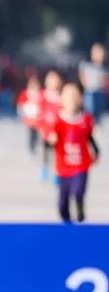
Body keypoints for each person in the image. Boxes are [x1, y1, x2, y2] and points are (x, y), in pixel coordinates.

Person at [47, 83, 100, 223]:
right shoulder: (58, 120)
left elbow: (89, 137)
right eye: (68, 96)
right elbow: (49, 141)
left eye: (75, 96)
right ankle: (67, 223)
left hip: (81, 165)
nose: (72, 99)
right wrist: (51, 141)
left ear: (81, 99)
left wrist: (96, 152)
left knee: (78, 192)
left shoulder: (85, 119)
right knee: (62, 204)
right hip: (63, 167)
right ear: (62, 100)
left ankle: (80, 213)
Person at [39, 70, 63, 182]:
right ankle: (44, 170)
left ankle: (56, 173)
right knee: (46, 152)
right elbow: (40, 113)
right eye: (51, 80)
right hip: (46, 130)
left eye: (55, 80)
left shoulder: (61, 97)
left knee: (57, 154)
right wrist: (43, 129)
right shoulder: (43, 96)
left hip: (57, 131)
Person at [79, 43, 107, 125]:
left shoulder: (104, 68)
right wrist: (84, 83)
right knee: (89, 112)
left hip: (101, 93)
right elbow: (82, 75)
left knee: (100, 114)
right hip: (90, 92)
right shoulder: (87, 66)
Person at [17, 75, 42, 154]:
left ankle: (35, 144)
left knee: (37, 133)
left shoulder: (40, 93)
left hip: (38, 118)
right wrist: (22, 113)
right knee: (31, 133)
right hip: (29, 118)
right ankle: (31, 147)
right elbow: (20, 104)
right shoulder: (25, 93)